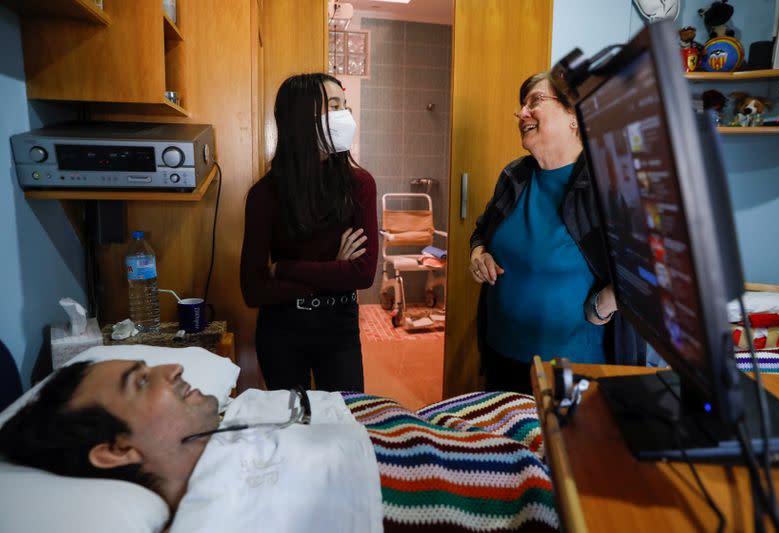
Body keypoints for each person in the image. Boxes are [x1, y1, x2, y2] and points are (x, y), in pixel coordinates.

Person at [0, 360, 559, 532]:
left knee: (526, 405)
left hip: (434, 422)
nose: (172, 368)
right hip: (508, 474)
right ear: (117, 449)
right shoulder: (228, 516)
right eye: (141, 382)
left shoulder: (227, 424)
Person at [469, 72, 646, 393]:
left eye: (535, 101)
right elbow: (482, 230)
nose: (522, 113)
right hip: (500, 355)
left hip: (571, 369)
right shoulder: (514, 176)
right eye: (521, 106)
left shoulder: (608, 185)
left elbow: (648, 268)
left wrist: (602, 305)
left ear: (575, 116)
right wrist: (478, 254)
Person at [240, 73, 378, 392]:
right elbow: (253, 289)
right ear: (301, 118)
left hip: (339, 327)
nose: (345, 115)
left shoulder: (359, 185)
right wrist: (333, 271)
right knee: (292, 428)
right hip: (282, 330)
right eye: (333, 106)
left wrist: (286, 269)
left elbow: (362, 273)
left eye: (345, 106)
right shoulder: (264, 195)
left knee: (343, 420)